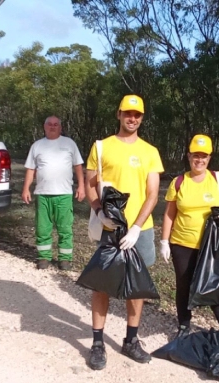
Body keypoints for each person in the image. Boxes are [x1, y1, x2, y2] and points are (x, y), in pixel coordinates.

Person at [84, 95, 164, 370]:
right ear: (118, 114)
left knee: (136, 286)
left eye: (137, 115)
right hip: (110, 228)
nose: (132, 118)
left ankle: (131, 340)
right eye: (127, 113)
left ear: (142, 118)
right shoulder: (102, 147)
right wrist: (99, 212)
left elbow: (153, 194)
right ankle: (97, 343)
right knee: (102, 285)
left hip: (139, 231)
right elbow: (91, 182)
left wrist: (138, 226)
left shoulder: (150, 151)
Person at [160, 134, 219, 338]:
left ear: (209, 158)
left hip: (211, 245)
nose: (199, 160)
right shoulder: (179, 182)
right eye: (196, 155)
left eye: (204, 156)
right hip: (182, 243)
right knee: (183, 286)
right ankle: (184, 326)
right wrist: (164, 241)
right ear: (189, 156)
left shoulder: (218, 179)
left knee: (214, 285)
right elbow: (169, 213)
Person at [22, 116, 85, 271]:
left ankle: (65, 259)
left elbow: (78, 167)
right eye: (49, 124)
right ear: (44, 127)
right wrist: (25, 189)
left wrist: (81, 186)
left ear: (60, 127)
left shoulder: (69, 144)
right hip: (42, 194)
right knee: (42, 228)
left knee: (65, 228)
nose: (52, 127)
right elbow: (31, 169)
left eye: (56, 124)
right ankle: (44, 257)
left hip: (64, 195)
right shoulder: (37, 146)